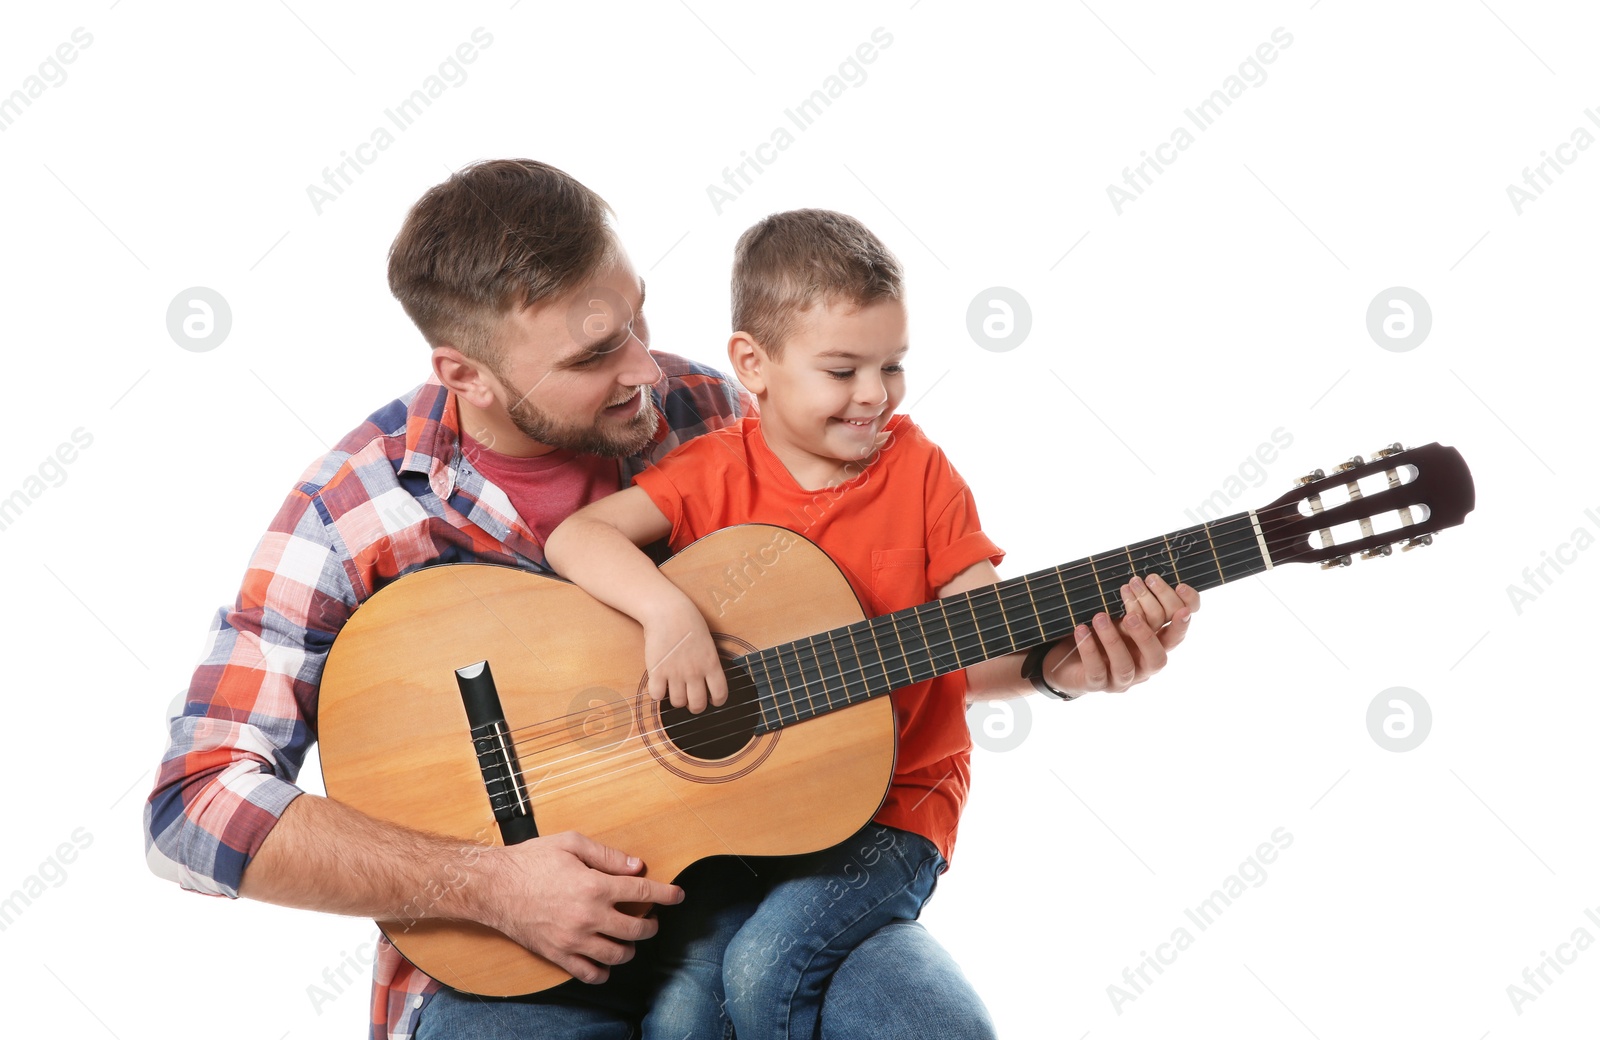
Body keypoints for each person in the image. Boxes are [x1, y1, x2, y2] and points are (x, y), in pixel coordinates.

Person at [142, 160, 1193, 1040]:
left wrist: (1058, 665)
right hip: (505, 953)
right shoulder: (351, 510)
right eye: (593, 353)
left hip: (763, 883)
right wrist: (487, 882)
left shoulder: (716, 414)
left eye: (636, 317)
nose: (645, 367)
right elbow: (192, 808)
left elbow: (867, 648)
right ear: (463, 369)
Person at [543, 208, 1201, 1039]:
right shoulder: (710, 473)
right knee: (678, 1016)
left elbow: (977, 638)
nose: (874, 394)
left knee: (764, 967)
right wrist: (667, 609)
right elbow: (578, 536)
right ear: (754, 364)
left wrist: (1057, 667)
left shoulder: (921, 472)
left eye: (892, 366)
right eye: (842, 368)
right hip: (748, 818)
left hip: (893, 814)